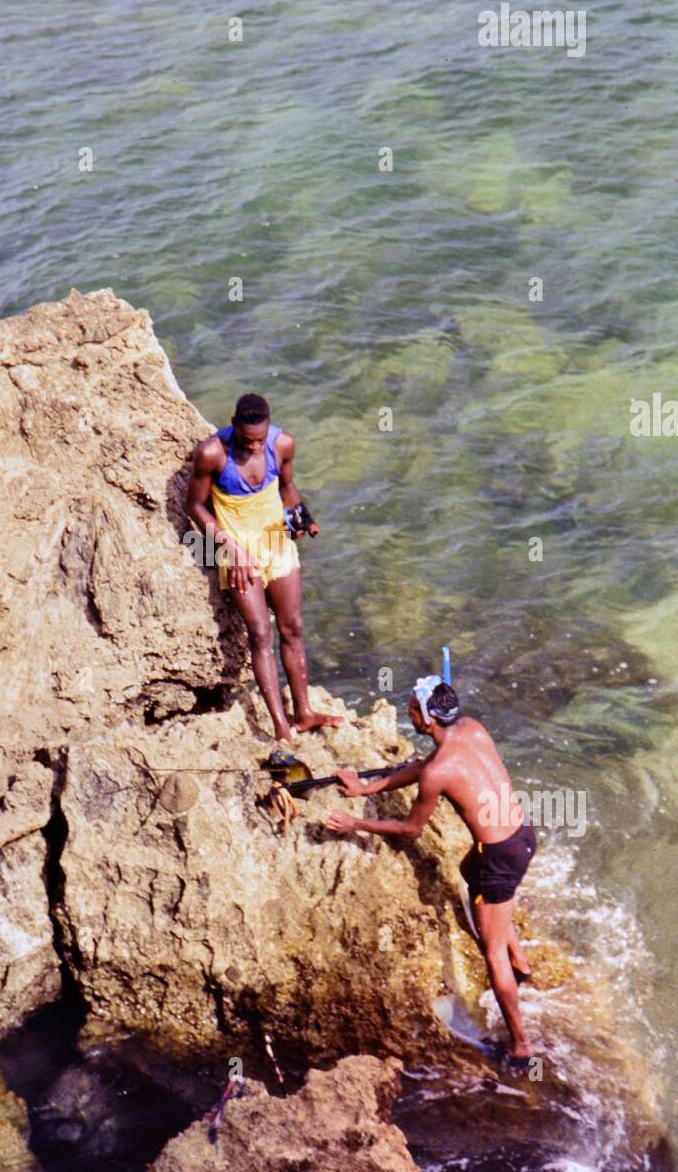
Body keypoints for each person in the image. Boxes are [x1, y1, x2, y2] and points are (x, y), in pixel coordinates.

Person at [324, 677, 537, 1063]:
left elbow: (410, 829)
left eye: (411, 709)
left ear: (427, 718)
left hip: (500, 856)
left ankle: (521, 1045)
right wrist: (365, 789)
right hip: (522, 836)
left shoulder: (440, 770)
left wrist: (355, 824)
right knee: (468, 868)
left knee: (492, 955)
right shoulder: (472, 728)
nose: (407, 713)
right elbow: (422, 768)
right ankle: (520, 961)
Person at [186, 392, 342, 744]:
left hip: (276, 543)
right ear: (234, 426)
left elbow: (287, 487)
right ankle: (280, 726)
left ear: (269, 429)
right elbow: (195, 506)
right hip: (238, 551)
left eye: (260, 440)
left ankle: (304, 712)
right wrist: (229, 549)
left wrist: (300, 515)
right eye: (246, 440)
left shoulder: (283, 444)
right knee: (259, 633)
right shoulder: (212, 453)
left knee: (293, 627)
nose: (255, 448)